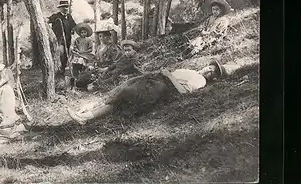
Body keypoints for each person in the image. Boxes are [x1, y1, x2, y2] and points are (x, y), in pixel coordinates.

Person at [67, 59, 240, 125]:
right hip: (156, 78)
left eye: (212, 71)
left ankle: (87, 116)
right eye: (209, 67)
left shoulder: (200, 81)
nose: (207, 70)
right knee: (120, 89)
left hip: (160, 87)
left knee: (125, 94)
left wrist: (167, 75)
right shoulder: (194, 73)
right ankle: (87, 111)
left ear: (214, 78)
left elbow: (181, 91)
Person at [74, 20, 124, 91]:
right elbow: (95, 59)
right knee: (81, 79)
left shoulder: (113, 47)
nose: (101, 38)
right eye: (100, 36)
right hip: (97, 69)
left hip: (108, 70)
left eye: (104, 36)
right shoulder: (99, 47)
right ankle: (88, 84)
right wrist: (92, 65)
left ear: (109, 36)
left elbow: (117, 62)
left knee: (97, 83)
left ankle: (95, 85)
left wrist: (106, 69)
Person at [48, 1, 76, 75]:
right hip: (59, 39)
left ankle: (63, 69)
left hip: (67, 39)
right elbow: (47, 21)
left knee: (67, 54)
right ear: (60, 8)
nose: (65, 8)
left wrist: (73, 30)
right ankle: (57, 68)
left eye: (66, 7)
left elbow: (74, 25)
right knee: (61, 53)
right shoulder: (56, 16)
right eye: (63, 7)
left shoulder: (69, 16)